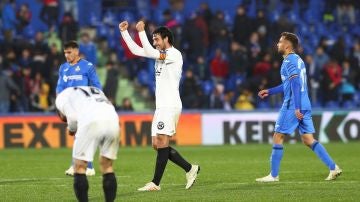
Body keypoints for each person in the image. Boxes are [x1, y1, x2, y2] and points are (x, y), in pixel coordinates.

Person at [119, 20, 200, 191]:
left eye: (156, 39)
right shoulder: (158, 53)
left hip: (170, 105)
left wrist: (141, 32)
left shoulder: (174, 54)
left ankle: (155, 183)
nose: (154, 43)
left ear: (166, 39)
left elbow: (148, 50)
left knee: (162, 142)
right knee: (157, 144)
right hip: (161, 106)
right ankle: (190, 168)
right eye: (153, 39)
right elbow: (136, 50)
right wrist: (125, 33)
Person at [256, 32, 342, 182]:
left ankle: (273, 175)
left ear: (288, 45)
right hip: (305, 103)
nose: (278, 44)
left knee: (278, 136)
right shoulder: (299, 60)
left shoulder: (288, 61)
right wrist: (270, 91)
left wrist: (296, 107)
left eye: (280, 42)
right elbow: (289, 84)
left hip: (292, 105)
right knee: (308, 139)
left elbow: (295, 83)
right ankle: (333, 167)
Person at [55, 86, 119, 202]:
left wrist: (71, 128)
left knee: (79, 166)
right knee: (107, 166)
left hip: (91, 119)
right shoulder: (93, 89)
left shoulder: (60, 98)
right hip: (113, 118)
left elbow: (72, 119)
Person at [56, 40, 102, 176]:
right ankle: (86, 166)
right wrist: (59, 107)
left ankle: (81, 166)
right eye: (64, 52)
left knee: (81, 134)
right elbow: (60, 88)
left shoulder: (87, 66)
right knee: (79, 135)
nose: (66, 55)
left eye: (69, 52)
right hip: (70, 106)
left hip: (85, 104)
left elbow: (96, 86)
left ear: (76, 51)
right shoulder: (63, 68)